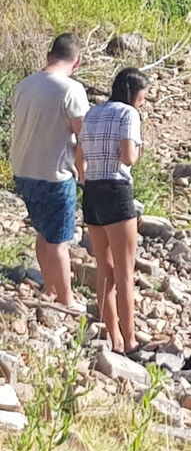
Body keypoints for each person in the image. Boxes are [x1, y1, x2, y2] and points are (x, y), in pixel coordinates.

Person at [10, 33, 89, 310]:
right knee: (59, 240)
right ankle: (66, 299)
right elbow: (83, 136)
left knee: (43, 233)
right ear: (76, 62)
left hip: (23, 170)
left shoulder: (24, 85)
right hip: (54, 173)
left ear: (49, 55)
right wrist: (82, 173)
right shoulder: (71, 89)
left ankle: (51, 288)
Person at [75, 67, 148, 356]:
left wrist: (85, 180)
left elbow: (79, 158)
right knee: (124, 271)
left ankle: (113, 336)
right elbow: (129, 156)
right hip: (117, 190)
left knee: (103, 269)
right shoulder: (128, 114)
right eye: (143, 95)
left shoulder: (93, 113)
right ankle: (129, 340)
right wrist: (138, 152)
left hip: (92, 190)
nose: (143, 100)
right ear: (134, 93)